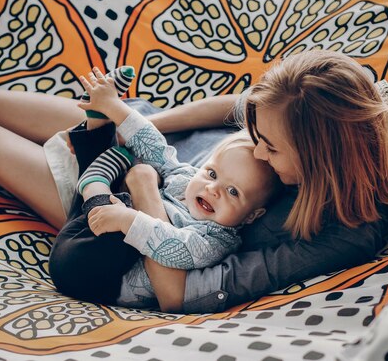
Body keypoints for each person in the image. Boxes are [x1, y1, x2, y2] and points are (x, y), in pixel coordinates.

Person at [0, 44, 388, 313]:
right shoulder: (326, 104)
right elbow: (234, 107)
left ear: (321, 163)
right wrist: (136, 122)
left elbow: (182, 291)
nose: (259, 152)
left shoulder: (337, 232)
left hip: (124, 220)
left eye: (270, 149)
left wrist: (145, 192)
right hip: (152, 148)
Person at [50, 67, 281, 307]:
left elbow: (172, 246)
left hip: (101, 278)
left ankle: (96, 170)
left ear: (252, 215)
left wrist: (126, 220)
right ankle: (99, 117)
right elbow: (156, 149)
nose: (213, 189)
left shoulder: (217, 239)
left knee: (118, 199)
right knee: (117, 171)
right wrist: (118, 110)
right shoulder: (187, 179)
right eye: (212, 173)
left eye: (233, 192)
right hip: (92, 220)